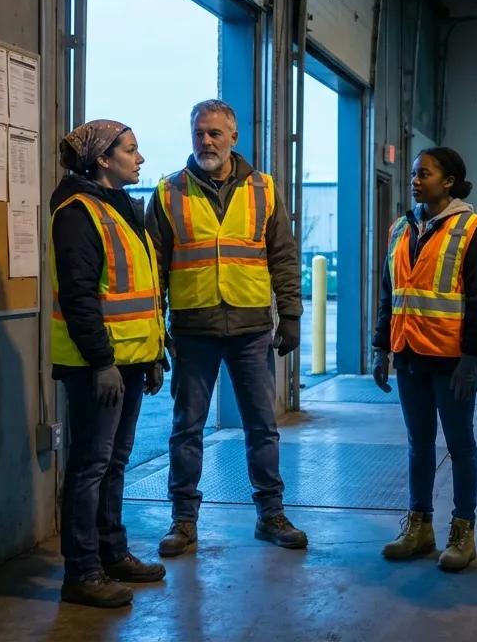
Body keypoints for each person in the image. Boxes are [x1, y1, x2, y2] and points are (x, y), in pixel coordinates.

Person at [145, 99, 307, 556]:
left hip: (251, 328)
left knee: (262, 426)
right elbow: (152, 267)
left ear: (234, 137)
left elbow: (283, 256)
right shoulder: (169, 191)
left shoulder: (264, 188)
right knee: (186, 428)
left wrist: (290, 315)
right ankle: (183, 521)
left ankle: (271, 514)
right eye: (199, 132)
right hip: (193, 331)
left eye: (215, 133)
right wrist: (157, 331)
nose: (206, 141)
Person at [50, 119, 170, 609]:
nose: (139, 159)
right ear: (103, 159)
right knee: (89, 467)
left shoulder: (120, 209)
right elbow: (79, 298)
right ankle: (82, 572)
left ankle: (112, 553)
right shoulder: (78, 213)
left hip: (132, 361)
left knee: (113, 464)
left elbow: (142, 292)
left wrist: (155, 351)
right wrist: (102, 362)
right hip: (98, 366)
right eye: (131, 150)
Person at [371, 147, 477, 572]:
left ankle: (464, 532)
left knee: (460, 444)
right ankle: (419, 527)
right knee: (418, 443)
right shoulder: (400, 229)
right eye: (415, 173)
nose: (415, 179)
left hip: (449, 357)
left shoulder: (473, 228)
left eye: (425, 174)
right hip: (407, 352)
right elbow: (390, 291)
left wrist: (472, 356)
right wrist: (380, 347)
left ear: (449, 182)